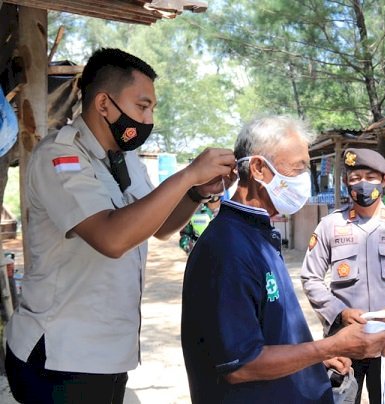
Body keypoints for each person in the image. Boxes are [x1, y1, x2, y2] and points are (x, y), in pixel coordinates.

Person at [4, 48, 235, 403]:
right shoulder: (60, 156)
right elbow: (112, 238)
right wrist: (188, 173)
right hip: (60, 358)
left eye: (152, 109)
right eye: (142, 106)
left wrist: (195, 192)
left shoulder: (125, 159)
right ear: (103, 104)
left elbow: (157, 226)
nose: (149, 117)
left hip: (108, 353)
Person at [181, 116, 385, 404]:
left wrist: (315, 356)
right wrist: (326, 347)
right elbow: (242, 364)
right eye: (297, 169)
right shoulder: (226, 248)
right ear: (260, 168)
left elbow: (270, 331)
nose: (302, 181)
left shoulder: (257, 233)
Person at [301, 148, 385, 404]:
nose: (362, 184)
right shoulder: (330, 225)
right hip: (344, 340)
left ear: (384, 180)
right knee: (340, 399)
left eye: (370, 176)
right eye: (355, 177)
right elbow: (310, 278)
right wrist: (339, 312)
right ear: (346, 183)